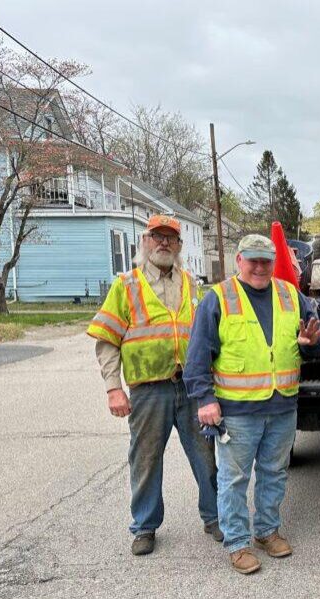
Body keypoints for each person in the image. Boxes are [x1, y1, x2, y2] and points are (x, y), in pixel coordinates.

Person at [184, 234, 320, 574]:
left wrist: (309, 345)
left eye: (266, 260)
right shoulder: (218, 298)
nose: (260, 267)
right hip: (237, 410)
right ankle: (237, 543)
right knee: (234, 479)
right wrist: (205, 399)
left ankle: (266, 531)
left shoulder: (291, 295)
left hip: (281, 407)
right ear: (239, 261)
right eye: (253, 260)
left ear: (274, 263)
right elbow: (197, 355)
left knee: (274, 473)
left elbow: (316, 344)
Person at [87, 214, 219, 556]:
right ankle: (145, 526)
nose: (164, 243)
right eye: (157, 237)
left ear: (178, 246)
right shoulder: (126, 285)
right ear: (144, 242)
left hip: (191, 388)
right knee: (145, 459)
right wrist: (113, 387)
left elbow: (208, 336)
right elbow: (106, 340)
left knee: (206, 456)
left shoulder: (191, 284)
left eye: (171, 238)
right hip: (148, 390)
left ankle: (215, 517)